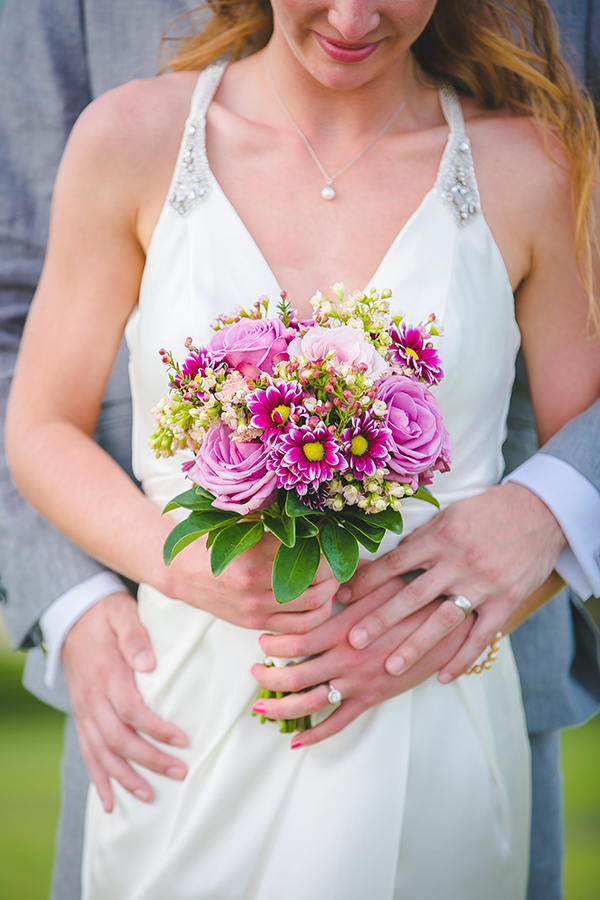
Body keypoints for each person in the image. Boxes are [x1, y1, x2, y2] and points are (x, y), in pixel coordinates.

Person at [0, 1, 599, 898]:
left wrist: (468, 602)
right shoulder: (131, 138)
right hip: (188, 719)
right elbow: (40, 424)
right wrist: (180, 565)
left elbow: (581, 455)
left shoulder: (533, 163)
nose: (353, 16)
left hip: (434, 718)